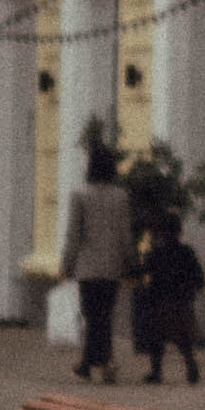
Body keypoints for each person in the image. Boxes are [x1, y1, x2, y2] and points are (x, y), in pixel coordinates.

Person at [58, 134, 135, 382]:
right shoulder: (121, 196)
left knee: (92, 316)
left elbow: (73, 235)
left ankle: (99, 362)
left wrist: (66, 265)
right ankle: (97, 362)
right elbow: (125, 234)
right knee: (103, 316)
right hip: (112, 266)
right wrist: (130, 261)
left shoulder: (80, 195)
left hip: (87, 266)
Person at [137, 221, 205, 386]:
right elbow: (199, 276)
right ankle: (190, 365)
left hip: (160, 300)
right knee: (184, 338)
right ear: (179, 232)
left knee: (157, 338)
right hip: (182, 300)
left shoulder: (157, 253)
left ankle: (156, 371)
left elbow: (143, 269)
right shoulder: (187, 252)